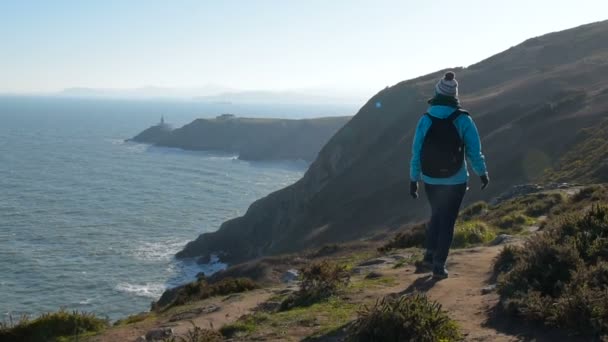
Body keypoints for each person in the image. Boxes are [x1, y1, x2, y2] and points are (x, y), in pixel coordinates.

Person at [409, 71, 489, 279]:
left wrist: (413, 179)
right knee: (448, 220)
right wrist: (482, 173)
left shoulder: (425, 119)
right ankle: (438, 264)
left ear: (437, 93)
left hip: (430, 178)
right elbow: (474, 151)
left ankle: (429, 255)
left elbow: (416, 151)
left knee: (436, 214)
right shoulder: (463, 119)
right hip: (456, 179)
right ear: (455, 95)